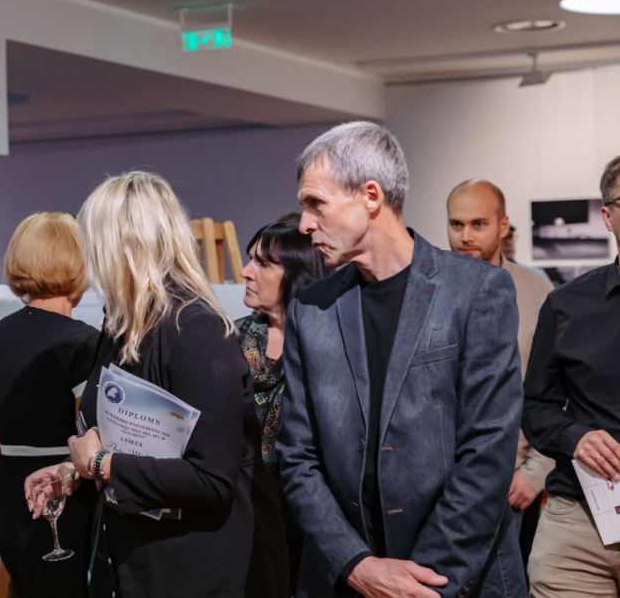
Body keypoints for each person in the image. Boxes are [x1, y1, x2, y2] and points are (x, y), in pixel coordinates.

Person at [276, 121, 526, 598]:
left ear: (371, 196)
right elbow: (297, 457)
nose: (305, 224)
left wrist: (419, 584)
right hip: (346, 579)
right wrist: (356, 565)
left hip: (457, 580)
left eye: (316, 203)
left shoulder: (476, 290)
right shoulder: (311, 307)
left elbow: (488, 453)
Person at [27, 170, 287, 597]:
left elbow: (212, 478)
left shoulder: (197, 331)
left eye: (92, 241)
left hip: (195, 568)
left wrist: (100, 464)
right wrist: (71, 470)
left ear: (122, 244)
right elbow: (127, 437)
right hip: (135, 557)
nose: (87, 258)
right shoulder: (120, 325)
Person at [0, 212, 99, 598]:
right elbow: (94, 439)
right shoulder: (84, 342)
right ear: (77, 263)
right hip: (62, 493)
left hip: (8, 493)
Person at [522, 156, 620, 597]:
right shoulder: (566, 305)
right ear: (607, 216)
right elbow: (534, 405)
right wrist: (574, 438)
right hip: (581, 524)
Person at [446, 179, 555, 562]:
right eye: (456, 224)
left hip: (514, 481)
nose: (466, 236)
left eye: (478, 224)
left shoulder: (537, 292)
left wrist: (536, 472)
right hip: (443, 482)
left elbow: (563, 389)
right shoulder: (427, 291)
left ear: (503, 225)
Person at [236, 221, 327, 591]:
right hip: (242, 513)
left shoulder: (326, 345)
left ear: (296, 274)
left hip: (307, 520)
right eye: (250, 259)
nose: (246, 271)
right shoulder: (231, 338)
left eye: (262, 263)